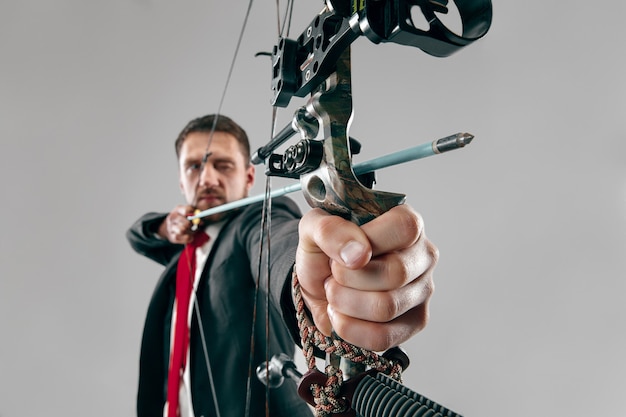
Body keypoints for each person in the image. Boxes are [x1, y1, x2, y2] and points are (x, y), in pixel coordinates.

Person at [126, 114, 438, 417]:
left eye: (223, 165)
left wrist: (312, 281)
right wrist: (164, 228)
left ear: (249, 176)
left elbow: (280, 246)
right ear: (181, 181)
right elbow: (138, 235)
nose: (207, 178)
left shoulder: (255, 222)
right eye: (194, 167)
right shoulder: (183, 253)